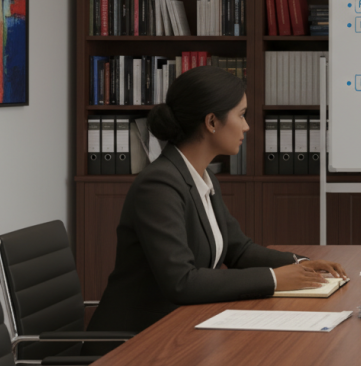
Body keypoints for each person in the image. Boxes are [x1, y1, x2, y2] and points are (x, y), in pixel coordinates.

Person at [87, 66, 347, 337]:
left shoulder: (202, 176)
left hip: (181, 327)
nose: (246, 126)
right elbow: (181, 281)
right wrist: (273, 279)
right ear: (212, 122)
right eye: (241, 115)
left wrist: (299, 263)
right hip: (135, 340)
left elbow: (239, 251)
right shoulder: (159, 185)